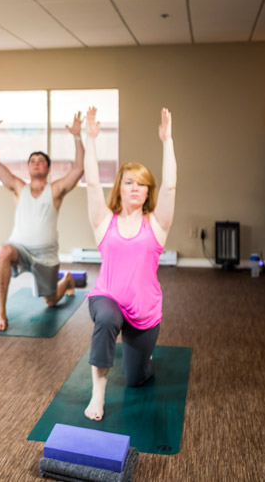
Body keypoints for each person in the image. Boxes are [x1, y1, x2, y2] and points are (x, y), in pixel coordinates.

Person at [82, 106, 176, 421]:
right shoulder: (103, 221)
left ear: (148, 190)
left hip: (145, 311)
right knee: (107, 318)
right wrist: (90, 140)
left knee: (136, 379)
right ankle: (98, 396)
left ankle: (143, 360)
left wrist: (168, 140)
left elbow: (171, 187)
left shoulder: (157, 225)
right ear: (119, 188)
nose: (135, 188)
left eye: (141, 184)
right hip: (106, 297)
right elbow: (92, 184)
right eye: (128, 182)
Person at [0, 108, 84, 331]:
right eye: (32, 161)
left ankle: (66, 280)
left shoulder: (56, 189)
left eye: (41, 161)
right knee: (3, 252)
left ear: (48, 168)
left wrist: (77, 136)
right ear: (28, 168)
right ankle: (1, 311)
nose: (36, 163)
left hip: (46, 256)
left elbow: (78, 169)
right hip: (20, 248)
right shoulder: (19, 188)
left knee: (50, 302)